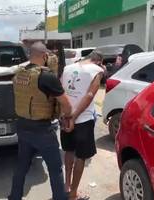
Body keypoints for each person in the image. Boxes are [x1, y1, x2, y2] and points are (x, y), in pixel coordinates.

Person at [8, 42, 72, 200]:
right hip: (42, 130)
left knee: (22, 166)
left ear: (30, 55)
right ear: (44, 56)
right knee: (55, 168)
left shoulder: (19, 73)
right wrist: (68, 117)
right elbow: (66, 104)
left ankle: (14, 197)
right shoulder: (46, 76)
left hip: (23, 126)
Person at [60, 52, 105, 200]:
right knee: (81, 157)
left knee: (68, 150)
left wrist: (65, 114)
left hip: (65, 117)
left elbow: (60, 90)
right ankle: (73, 194)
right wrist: (74, 116)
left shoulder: (68, 68)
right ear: (98, 62)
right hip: (83, 120)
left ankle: (67, 185)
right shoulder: (96, 70)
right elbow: (90, 95)